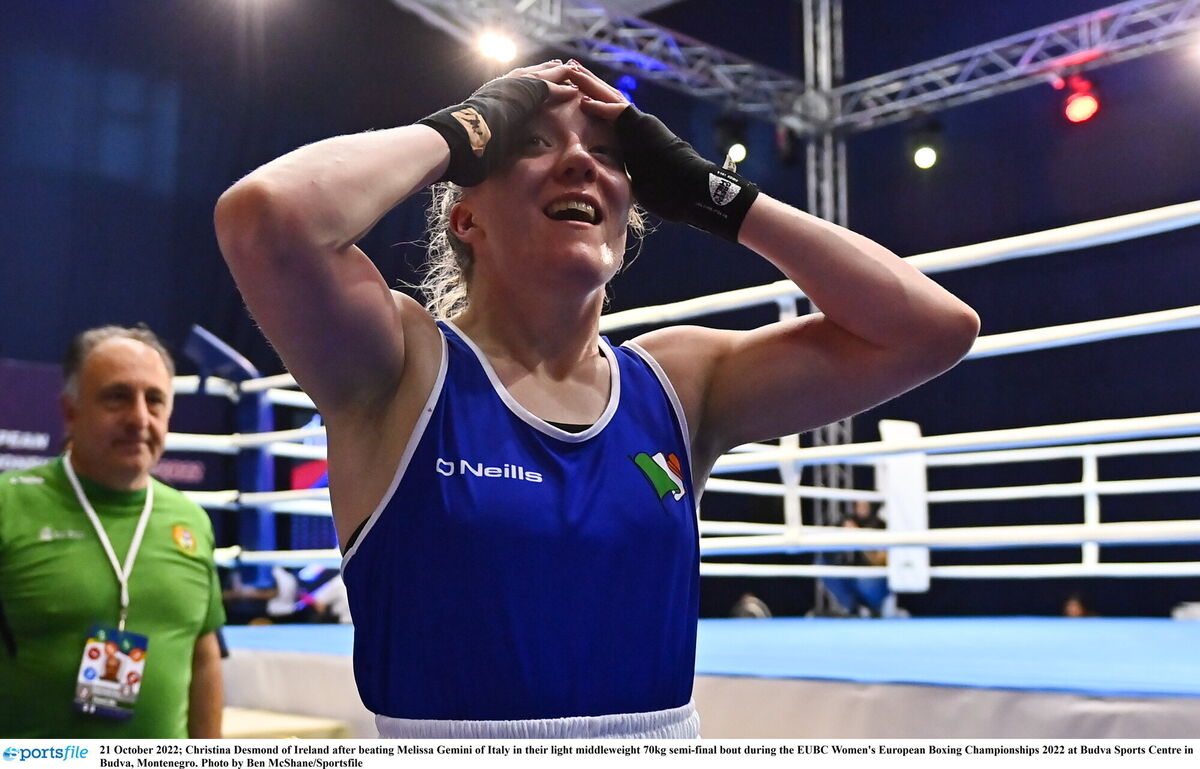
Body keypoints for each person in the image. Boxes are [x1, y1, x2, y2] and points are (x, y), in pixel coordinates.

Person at [215, 60, 978, 737]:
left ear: (630, 212)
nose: (580, 160)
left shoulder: (678, 382)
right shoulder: (402, 367)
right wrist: (463, 128)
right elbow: (268, 216)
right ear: (466, 216)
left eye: (612, 156)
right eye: (534, 144)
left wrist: (710, 193)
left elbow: (932, 329)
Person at [0, 325, 225, 737]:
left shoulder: (191, 521)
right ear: (70, 411)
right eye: (117, 397)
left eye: (154, 400)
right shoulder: (8, 505)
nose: (139, 418)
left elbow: (203, 656)